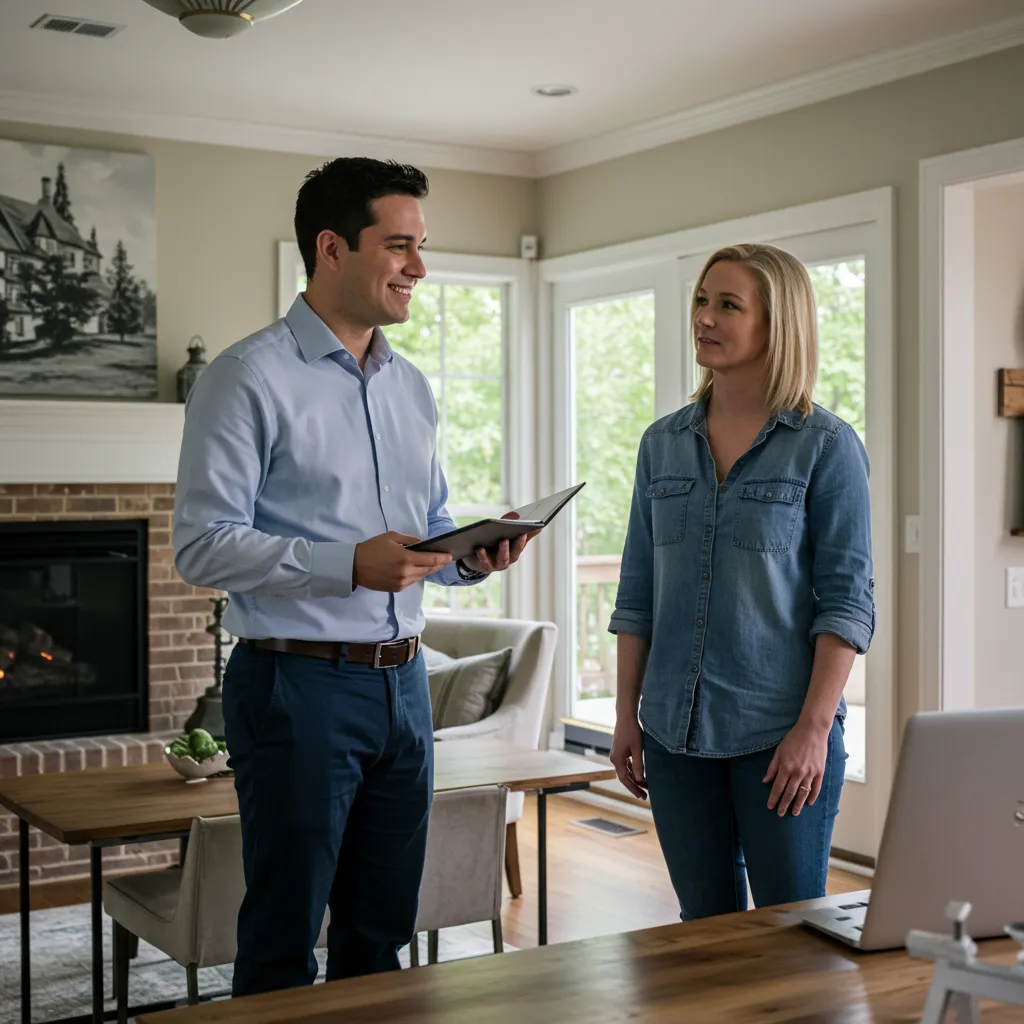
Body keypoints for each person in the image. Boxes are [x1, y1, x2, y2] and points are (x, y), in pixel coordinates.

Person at [173, 157, 533, 995]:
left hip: (405, 691)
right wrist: (347, 563)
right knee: (283, 936)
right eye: (399, 245)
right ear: (332, 249)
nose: (418, 267)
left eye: (421, 247)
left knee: (382, 934)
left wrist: (466, 556)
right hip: (295, 687)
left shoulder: (412, 389)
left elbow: (418, 538)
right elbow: (201, 546)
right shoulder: (246, 377)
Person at [608, 243, 874, 920]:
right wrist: (625, 717)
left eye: (729, 304)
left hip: (780, 737)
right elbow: (638, 591)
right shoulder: (661, 443)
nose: (706, 317)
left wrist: (813, 731)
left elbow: (846, 603)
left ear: (776, 323)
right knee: (705, 935)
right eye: (702, 300)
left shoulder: (826, 446)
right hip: (673, 735)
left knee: (793, 935)